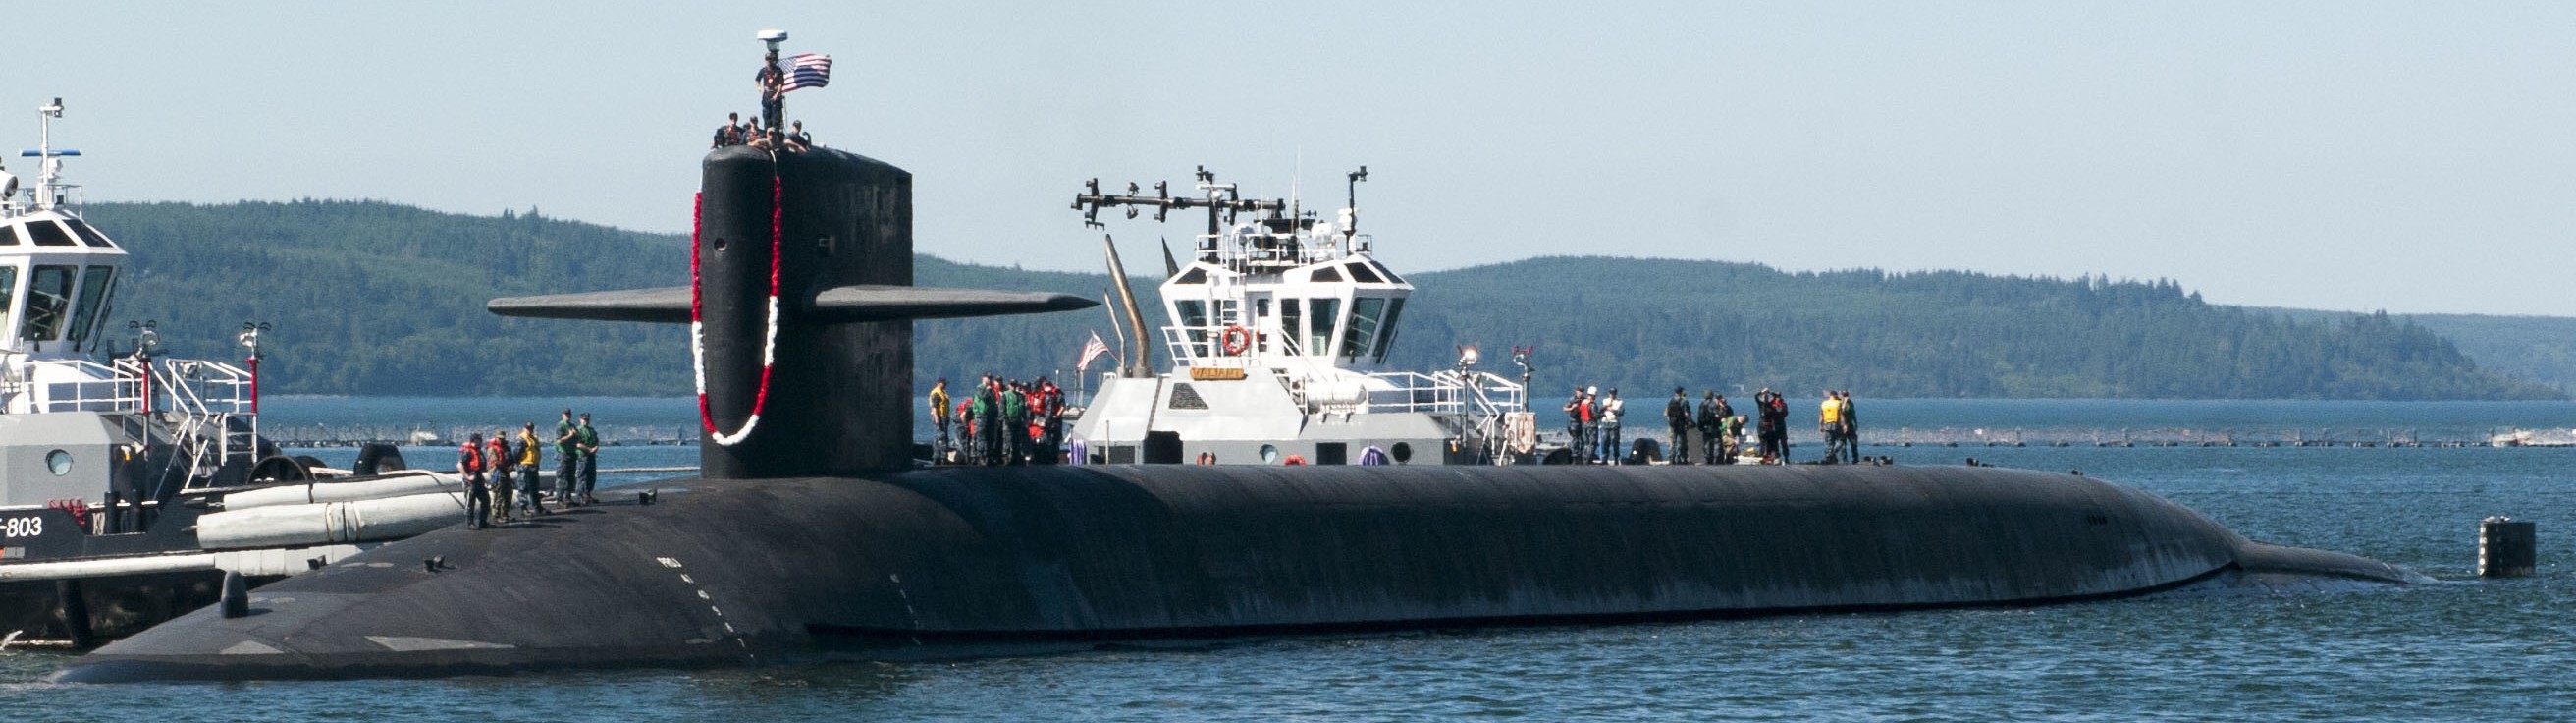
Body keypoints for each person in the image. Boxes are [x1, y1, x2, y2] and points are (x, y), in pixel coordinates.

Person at [457, 432, 490, 530]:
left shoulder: (479, 452)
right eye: (479, 440)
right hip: (471, 482)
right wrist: (467, 477)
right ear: (475, 441)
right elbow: (459, 465)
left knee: (486, 500)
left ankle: (483, 521)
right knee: (470, 502)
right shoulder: (468, 452)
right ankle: (470, 523)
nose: (481, 442)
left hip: (479, 480)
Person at [486, 429, 515, 525]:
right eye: (499, 439)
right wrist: (505, 468)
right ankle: (496, 514)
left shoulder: (506, 448)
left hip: (505, 472)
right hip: (497, 472)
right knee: (499, 493)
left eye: (502, 439)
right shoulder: (492, 448)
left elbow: (511, 459)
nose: (501, 440)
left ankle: (504, 513)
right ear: (495, 437)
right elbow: (495, 461)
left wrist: (511, 466)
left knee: (508, 493)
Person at [516, 422, 545, 517]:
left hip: (534, 466)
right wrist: (519, 464)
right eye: (528, 428)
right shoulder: (522, 439)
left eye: (531, 428)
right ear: (524, 428)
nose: (530, 430)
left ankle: (537, 507)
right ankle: (524, 508)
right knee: (523, 487)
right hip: (525, 466)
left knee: (535, 487)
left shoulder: (533, 439)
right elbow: (516, 453)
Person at [553, 409, 580, 507]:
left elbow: (578, 438)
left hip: (572, 453)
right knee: (562, 477)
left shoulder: (572, 426)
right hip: (563, 454)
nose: (567, 416)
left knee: (570, 477)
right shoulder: (560, 425)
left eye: (569, 414)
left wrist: (576, 435)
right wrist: (569, 436)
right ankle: (559, 499)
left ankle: (568, 498)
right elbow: (559, 441)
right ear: (562, 415)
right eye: (566, 414)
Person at [1698, 391, 1732, 465]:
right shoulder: (1713, 404)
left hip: (1705, 426)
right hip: (1714, 426)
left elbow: (1700, 416)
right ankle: (1716, 458)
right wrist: (1722, 411)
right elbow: (1717, 415)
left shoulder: (1702, 404)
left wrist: (1700, 426)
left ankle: (1708, 458)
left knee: (1707, 443)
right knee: (1717, 442)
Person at [574, 413, 601, 505]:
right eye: (584, 419)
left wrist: (595, 448)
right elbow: (577, 444)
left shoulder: (592, 430)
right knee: (582, 476)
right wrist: (588, 449)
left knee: (591, 476)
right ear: (580, 420)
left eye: (587, 420)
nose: (586, 421)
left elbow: (596, 441)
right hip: (583, 455)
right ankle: (580, 496)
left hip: (591, 456)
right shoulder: (578, 430)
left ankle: (587, 494)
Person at [1002, 380, 1030, 466]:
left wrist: (1025, 420)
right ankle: (1006, 457)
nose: (1014, 387)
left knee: (1017, 440)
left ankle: (1016, 457)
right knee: (1007, 439)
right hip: (1009, 420)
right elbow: (1002, 408)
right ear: (1009, 385)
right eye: (1012, 385)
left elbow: (1023, 410)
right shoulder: (1005, 395)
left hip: (1018, 420)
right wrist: (1005, 419)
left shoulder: (1021, 396)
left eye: (1015, 385)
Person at [1757, 389, 1789, 463]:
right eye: (1775, 396)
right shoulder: (1774, 404)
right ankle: (1775, 457)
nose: (1775, 397)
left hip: (1779, 425)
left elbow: (1783, 413)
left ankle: (1785, 457)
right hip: (1776, 425)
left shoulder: (1781, 404)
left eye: (1776, 396)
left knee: (1781, 442)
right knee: (1775, 442)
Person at [1664, 387, 1693, 465]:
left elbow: (1666, 414)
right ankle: (1679, 456)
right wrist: (1690, 421)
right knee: (1680, 441)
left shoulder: (1671, 401)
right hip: (1680, 423)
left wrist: (1671, 421)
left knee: (1673, 441)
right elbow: (1686, 413)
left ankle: (1671, 457)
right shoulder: (1683, 401)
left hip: (1672, 424)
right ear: (1681, 392)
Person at [1597, 388, 1625, 465]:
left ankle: (1616, 457)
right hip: (1605, 422)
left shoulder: (1620, 402)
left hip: (1614, 423)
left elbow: (1621, 412)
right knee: (1605, 441)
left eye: (1613, 393)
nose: (1612, 395)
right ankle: (1604, 458)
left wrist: (1612, 410)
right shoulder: (1605, 400)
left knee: (1614, 441)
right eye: (1611, 393)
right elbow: (1599, 410)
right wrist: (1605, 407)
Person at [928, 378, 952, 462]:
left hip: (944, 417)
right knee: (942, 437)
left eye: (945, 383)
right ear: (938, 383)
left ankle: (937, 456)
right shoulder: (936, 393)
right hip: (939, 417)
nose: (945, 385)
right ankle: (943, 457)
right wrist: (936, 418)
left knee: (938, 437)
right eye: (943, 383)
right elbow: (934, 407)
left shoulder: (943, 392)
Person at [1819, 390, 1846, 464]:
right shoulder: (1838, 403)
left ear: (1830, 395)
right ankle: (1832, 453)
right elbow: (1841, 415)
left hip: (1826, 424)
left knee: (1829, 442)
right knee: (1841, 440)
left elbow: (1821, 415)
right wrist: (1844, 425)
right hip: (1836, 424)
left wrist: (1820, 426)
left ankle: (1829, 456)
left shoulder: (1824, 403)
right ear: (1835, 395)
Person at [1562, 387, 1586, 463]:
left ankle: (1581, 454)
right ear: (1576, 391)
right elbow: (1564, 408)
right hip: (1574, 422)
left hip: (1582, 422)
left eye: (1582, 391)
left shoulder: (1585, 400)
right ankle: (1575, 455)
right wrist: (1572, 408)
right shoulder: (1572, 400)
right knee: (1575, 439)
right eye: (1579, 391)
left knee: (1583, 440)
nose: (1581, 393)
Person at [1838, 392, 1861, 464]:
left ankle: (1855, 458)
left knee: (1854, 442)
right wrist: (1844, 402)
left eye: (1846, 395)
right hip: (1842, 425)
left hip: (1850, 424)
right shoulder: (1840, 402)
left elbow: (1853, 414)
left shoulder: (1851, 403)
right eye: (1844, 395)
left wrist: (1855, 423)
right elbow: (1842, 412)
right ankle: (1844, 459)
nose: (1846, 397)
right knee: (1842, 443)